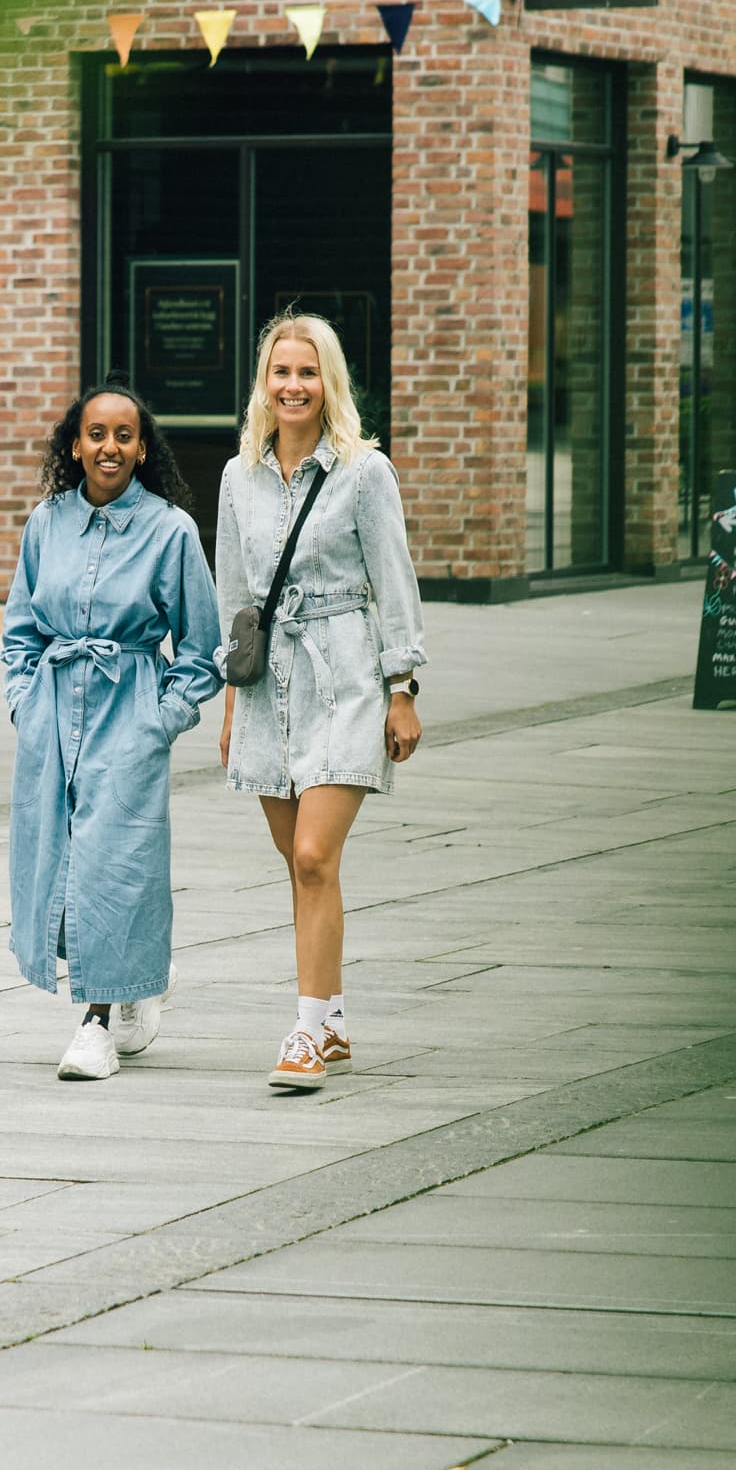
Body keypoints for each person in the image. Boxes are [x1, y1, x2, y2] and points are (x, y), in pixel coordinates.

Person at [214, 314, 426, 1093]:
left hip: (346, 677)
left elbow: (394, 583)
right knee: (301, 866)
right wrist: (233, 702)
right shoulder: (239, 478)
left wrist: (402, 690)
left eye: (307, 372)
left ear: (328, 381)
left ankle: (304, 1033)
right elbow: (233, 596)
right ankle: (333, 1018)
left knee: (313, 856)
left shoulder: (364, 472)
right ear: (263, 385)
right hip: (269, 687)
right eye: (281, 373)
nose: (293, 386)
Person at [3, 384, 223, 1082]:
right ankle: (138, 975)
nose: (109, 446)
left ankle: (95, 1022)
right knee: (53, 866)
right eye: (96, 433)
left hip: (127, 715)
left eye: (124, 435)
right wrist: (24, 703)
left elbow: (202, 648)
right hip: (51, 717)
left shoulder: (171, 531)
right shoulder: (46, 524)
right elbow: (19, 631)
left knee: (111, 864)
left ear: (142, 449)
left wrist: (157, 722)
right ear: (75, 444)